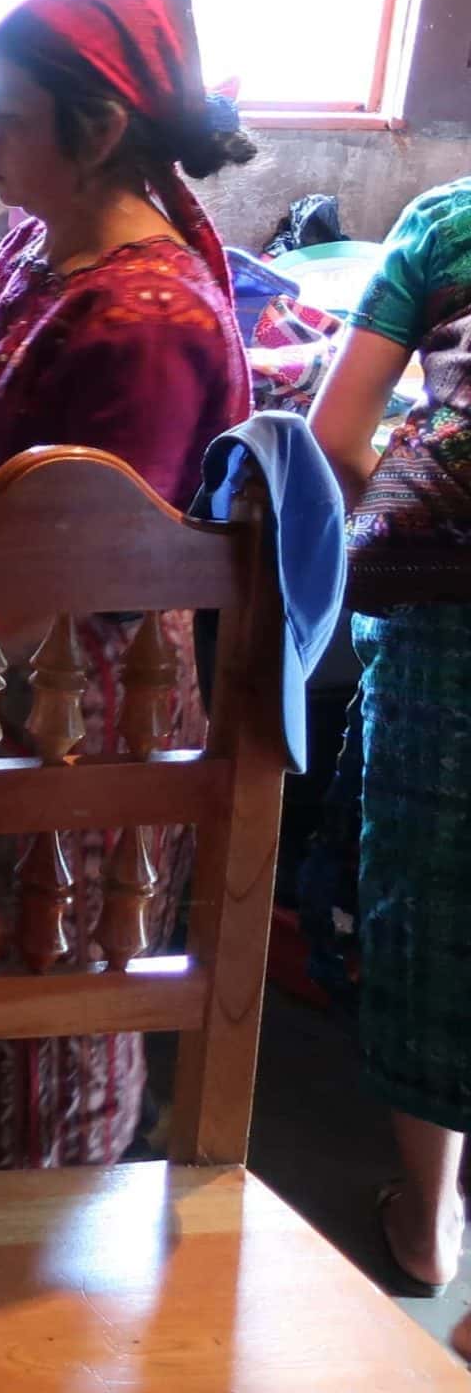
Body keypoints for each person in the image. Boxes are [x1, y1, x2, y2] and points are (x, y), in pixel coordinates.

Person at [0, 0, 254, 1171]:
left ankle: (33, 1306)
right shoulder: (35, 250)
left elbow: (71, 572)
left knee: (40, 1002)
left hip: (71, 707)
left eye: (8, 114)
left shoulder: (144, 322)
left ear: (96, 132)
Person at [306, 176, 471, 1333]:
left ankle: (428, 1220)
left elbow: (331, 434)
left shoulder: (447, 223)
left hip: (444, 635)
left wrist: (406, 542)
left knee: (429, 907)